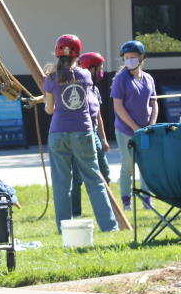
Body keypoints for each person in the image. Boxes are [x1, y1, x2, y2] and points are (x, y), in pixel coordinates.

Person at [44, 35, 118, 233]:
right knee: (94, 180)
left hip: (58, 133)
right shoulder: (85, 75)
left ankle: (64, 229)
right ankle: (109, 227)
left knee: (61, 184)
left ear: (57, 53)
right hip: (83, 131)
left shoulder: (50, 78)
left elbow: (49, 110)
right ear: (78, 53)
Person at [110, 39, 158, 210]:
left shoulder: (149, 79)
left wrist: (150, 125)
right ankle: (126, 201)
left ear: (141, 58)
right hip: (125, 131)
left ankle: (147, 200)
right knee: (128, 166)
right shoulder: (120, 79)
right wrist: (135, 128)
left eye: (133, 57)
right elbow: (118, 106)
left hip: (146, 131)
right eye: (126, 57)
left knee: (146, 164)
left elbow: (153, 103)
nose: (129, 60)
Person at [71, 51, 111, 217]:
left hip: (94, 133)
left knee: (104, 172)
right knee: (77, 176)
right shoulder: (77, 89)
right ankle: (75, 212)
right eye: (99, 67)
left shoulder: (94, 90)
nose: (101, 71)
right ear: (91, 69)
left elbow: (98, 116)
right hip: (79, 134)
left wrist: (103, 138)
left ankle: (110, 208)